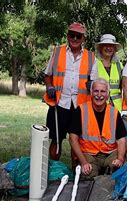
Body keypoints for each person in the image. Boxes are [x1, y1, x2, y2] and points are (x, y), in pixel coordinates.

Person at [43, 22, 95, 162]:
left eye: (78, 36)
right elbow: (48, 75)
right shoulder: (57, 52)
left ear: (83, 38)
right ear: (67, 36)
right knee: (56, 139)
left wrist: (92, 84)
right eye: (72, 35)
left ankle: (75, 173)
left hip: (80, 105)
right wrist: (49, 87)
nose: (75, 38)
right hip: (59, 103)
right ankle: (54, 168)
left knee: (76, 140)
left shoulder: (91, 57)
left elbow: (95, 82)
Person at [69, 78, 127, 179]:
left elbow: (121, 140)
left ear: (107, 94)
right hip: (89, 154)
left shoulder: (114, 112)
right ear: (91, 93)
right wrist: (83, 162)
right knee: (87, 175)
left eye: (103, 91)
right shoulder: (81, 110)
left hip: (110, 154)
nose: (99, 95)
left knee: (118, 170)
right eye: (96, 91)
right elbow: (72, 138)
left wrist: (120, 159)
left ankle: (109, 173)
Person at [90, 34, 124, 112]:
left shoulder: (119, 66)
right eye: (105, 45)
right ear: (100, 48)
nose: (108, 48)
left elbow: (124, 88)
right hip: (98, 106)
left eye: (111, 46)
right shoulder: (94, 64)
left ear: (114, 49)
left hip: (117, 108)